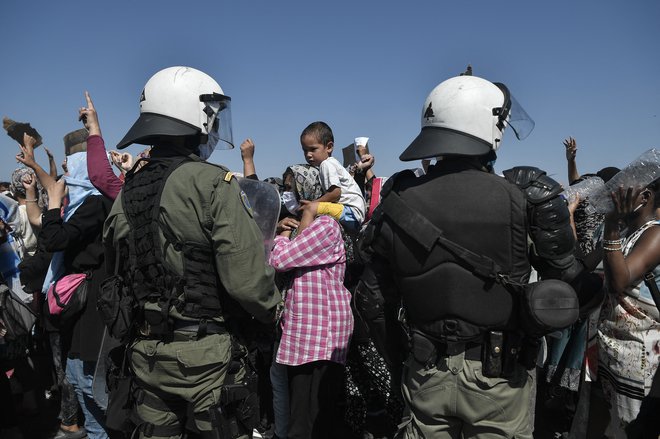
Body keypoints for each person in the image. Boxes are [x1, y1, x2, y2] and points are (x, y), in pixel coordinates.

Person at [356, 72, 597, 438]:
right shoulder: (526, 194)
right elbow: (571, 286)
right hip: (499, 379)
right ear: (491, 125)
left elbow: (371, 299)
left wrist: (405, 360)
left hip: (424, 374)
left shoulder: (397, 200)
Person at [102, 66, 280, 439]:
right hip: (207, 361)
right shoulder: (213, 183)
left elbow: (118, 266)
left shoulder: (129, 189)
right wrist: (274, 312)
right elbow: (248, 285)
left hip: (146, 354)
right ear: (194, 117)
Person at [269, 164, 354, 439]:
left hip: (319, 334)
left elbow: (281, 260)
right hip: (306, 333)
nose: (290, 197)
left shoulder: (326, 226)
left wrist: (281, 237)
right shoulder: (304, 227)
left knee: (313, 419)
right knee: (303, 414)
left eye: (294, 191)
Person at [588, 178, 660, 436]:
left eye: (626, 190)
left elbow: (619, 280)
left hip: (639, 355)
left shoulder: (656, 233)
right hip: (616, 349)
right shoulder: (631, 231)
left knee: (631, 427)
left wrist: (610, 224)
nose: (616, 194)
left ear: (645, 197)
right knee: (611, 425)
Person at [299, 121, 366, 231]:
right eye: (305, 150)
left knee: (310, 209)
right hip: (352, 212)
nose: (308, 155)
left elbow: (335, 193)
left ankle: (297, 245)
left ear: (329, 147)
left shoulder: (326, 164)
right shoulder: (330, 163)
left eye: (313, 149)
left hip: (351, 212)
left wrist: (314, 203)